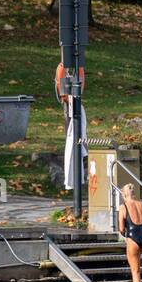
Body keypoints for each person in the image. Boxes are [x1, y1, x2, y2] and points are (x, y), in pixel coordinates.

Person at [55, 61, 88, 191]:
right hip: (69, 104)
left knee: (74, 139)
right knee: (72, 139)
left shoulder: (77, 68)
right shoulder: (62, 68)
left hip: (73, 104)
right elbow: (62, 92)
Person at [117, 183, 142, 282]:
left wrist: (125, 236)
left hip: (133, 239)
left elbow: (121, 229)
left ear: (124, 195)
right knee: (138, 264)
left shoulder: (123, 207)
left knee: (135, 272)